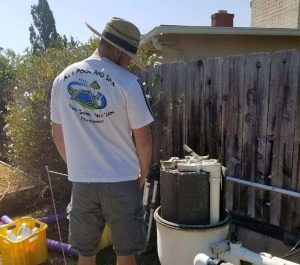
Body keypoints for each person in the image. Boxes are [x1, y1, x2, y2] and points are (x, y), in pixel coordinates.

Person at [50, 17, 154, 265]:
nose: (128, 63)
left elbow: (57, 134)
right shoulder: (128, 83)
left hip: (83, 182)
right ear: (118, 51)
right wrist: (143, 173)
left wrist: (76, 164)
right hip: (121, 180)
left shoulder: (62, 79)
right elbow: (144, 141)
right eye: (128, 57)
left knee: (86, 253)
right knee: (126, 253)